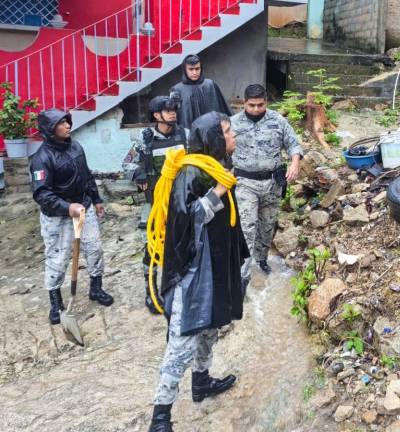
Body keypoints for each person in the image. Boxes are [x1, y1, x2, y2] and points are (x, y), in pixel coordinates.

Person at [146, 112, 248, 432]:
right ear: (215, 139)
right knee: (183, 339)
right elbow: (185, 222)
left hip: (215, 265)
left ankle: (201, 382)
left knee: (210, 327)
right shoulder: (191, 172)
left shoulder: (216, 167)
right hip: (192, 271)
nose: (234, 138)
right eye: (229, 133)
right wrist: (218, 191)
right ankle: (160, 416)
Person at [30, 109, 114, 325]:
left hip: (83, 206)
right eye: (62, 123)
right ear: (50, 130)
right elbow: (42, 194)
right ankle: (55, 301)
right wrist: (67, 208)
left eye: (67, 121)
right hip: (59, 216)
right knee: (58, 258)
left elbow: (86, 175)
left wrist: (96, 199)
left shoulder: (76, 146)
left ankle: (96, 288)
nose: (68, 126)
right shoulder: (41, 158)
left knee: (94, 248)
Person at [231, 84, 303, 282]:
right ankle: (242, 275)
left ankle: (261, 259)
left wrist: (295, 163)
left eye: (260, 105)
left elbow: (293, 144)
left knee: (266, 226)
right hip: (245, 183)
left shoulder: (278, 121)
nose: (255, 109)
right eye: (251, 105)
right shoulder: (233, 123)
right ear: (243, 103)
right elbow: (221, 149)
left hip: (272, 183)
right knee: (247, 227)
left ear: (266, 102)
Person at [126, 95, 189, 314]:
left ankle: (181, 285)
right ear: (156, 115)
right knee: (151, 249)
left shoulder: (185, 135)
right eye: (168, 110)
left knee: (184, 245)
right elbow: (126, 163)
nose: (173, 113)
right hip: (155, 205)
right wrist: (138, 173)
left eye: (174, 109)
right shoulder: (145, 139)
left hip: (181, 202)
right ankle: (151, 291)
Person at [169, 54, 232, 131]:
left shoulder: (210, 85)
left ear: (201, 68)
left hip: (212, 132)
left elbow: (223, 109)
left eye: (197, 68)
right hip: (188, 133)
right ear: (185, 69)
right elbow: (171, 114)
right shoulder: (177, 89)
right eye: (191, 69)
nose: (195, 72)